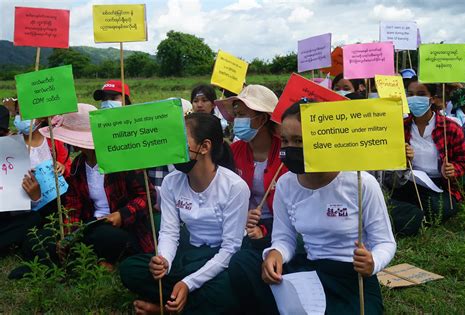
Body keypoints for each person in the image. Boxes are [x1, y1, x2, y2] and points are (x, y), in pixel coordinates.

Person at [230, 101, 396, 314]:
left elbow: (385, 242)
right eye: (286, 141)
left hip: (353, 278)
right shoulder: (286, 184)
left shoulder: (360, 183)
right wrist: (276, 254)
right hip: (308, 272)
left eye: (299, 141)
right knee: (243, 263)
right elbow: (284, 238)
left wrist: (373, 262)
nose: (290, 148)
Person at [119, 113, 250, 314]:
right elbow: (170, 232)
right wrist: (164, 261)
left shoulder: (235, 187)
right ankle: (187, 303)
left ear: (204, 147)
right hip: (191, 253)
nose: (172, 149)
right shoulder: (172, 182)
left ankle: (165, 307)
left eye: (181, 142)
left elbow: (230, 248)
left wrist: (188, 283)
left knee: (227, 291)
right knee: (131, 268)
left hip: (224, 259)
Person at [11, 104, 156, 278]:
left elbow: (147, 196)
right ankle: (75, 262)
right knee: (38, 239)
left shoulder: (122, 161)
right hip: (89, 224)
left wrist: (121, 214)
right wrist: (68, 234)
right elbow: (73, 203)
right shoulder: (79, 166)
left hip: (122, 228)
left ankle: (78, 262)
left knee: (105, 235)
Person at [216, 84, 287, 249]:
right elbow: (222, 196)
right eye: (236, 115)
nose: (237, 121)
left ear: (262, 119)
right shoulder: (233, 151)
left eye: (242, 115)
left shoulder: (286, 153)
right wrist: (241, 216)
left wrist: (264, 228)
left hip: (281, 227)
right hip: (241, 225)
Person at [391, 78, 465, 226]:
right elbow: (391, 165)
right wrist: (402, 158)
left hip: (440, 185)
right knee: (389, 201)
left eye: (421, 94)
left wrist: (453, 169)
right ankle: (414, 214)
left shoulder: (450, 128)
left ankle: (416, 216)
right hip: (410, 183)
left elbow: (463, 161)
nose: (414, 98)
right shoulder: (400, 127)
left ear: (432, 99)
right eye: (410, 94)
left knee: (440, 208)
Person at [0, 105, 41, 255]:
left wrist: (34, 195)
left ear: (7, 134)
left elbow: (19, 207)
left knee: (34, 218)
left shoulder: (15, 156)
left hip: (5, 220)